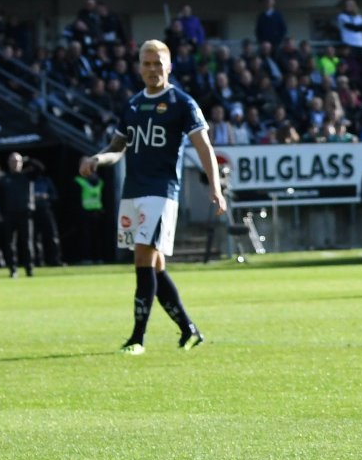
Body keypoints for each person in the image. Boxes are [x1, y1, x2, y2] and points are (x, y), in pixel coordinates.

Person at [79, 39, 224, 355]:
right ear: (139, 67)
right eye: (147, 63)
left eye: (158, 63)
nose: (152, 69)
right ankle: (189, 330)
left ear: (169, 66)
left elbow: (203, 146)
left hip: (162, 192)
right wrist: (97, 159)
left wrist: (215, 186)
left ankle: (137, 339)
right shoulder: (132, 105)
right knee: (155, 266)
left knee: (142, 257)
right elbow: (117, 148)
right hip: (133, 191)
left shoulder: (182, 103)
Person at [0, 152, 36, 278]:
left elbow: (40, 168)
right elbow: (0, 198)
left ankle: (29, 268)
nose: (15, 164)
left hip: (25, 214)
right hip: (9, 214)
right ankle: (12, 269)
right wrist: (0, 213)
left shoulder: (27, 177)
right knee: (9, 243)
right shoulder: (3, 179)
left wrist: (28, 159)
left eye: (17, 161)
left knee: (26, 242)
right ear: (8, 163)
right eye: (13, 161)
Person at [25, 158, 64, 266]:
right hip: (31, 211)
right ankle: (37, 261)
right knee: (34, 238)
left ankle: (55, 260)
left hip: (45, 210)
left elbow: (54, 196)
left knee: (52, 235)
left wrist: (45, 196)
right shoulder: (26, 181)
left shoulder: (45, 180)